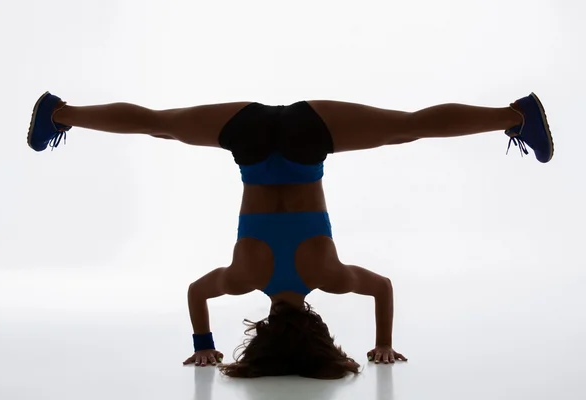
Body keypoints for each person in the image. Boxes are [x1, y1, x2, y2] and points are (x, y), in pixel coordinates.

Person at [27, 91, 554, 379]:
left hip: (309, 137)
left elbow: (384, 287)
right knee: (154, 123)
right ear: (259, 334)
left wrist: (383, 345)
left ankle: (515, 114)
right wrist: (204, 345)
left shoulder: (328, 276)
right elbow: (195, 291)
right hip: (249, 136)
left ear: (319, 330)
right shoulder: (240, 279)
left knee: (407, 126)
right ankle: (59, 110)